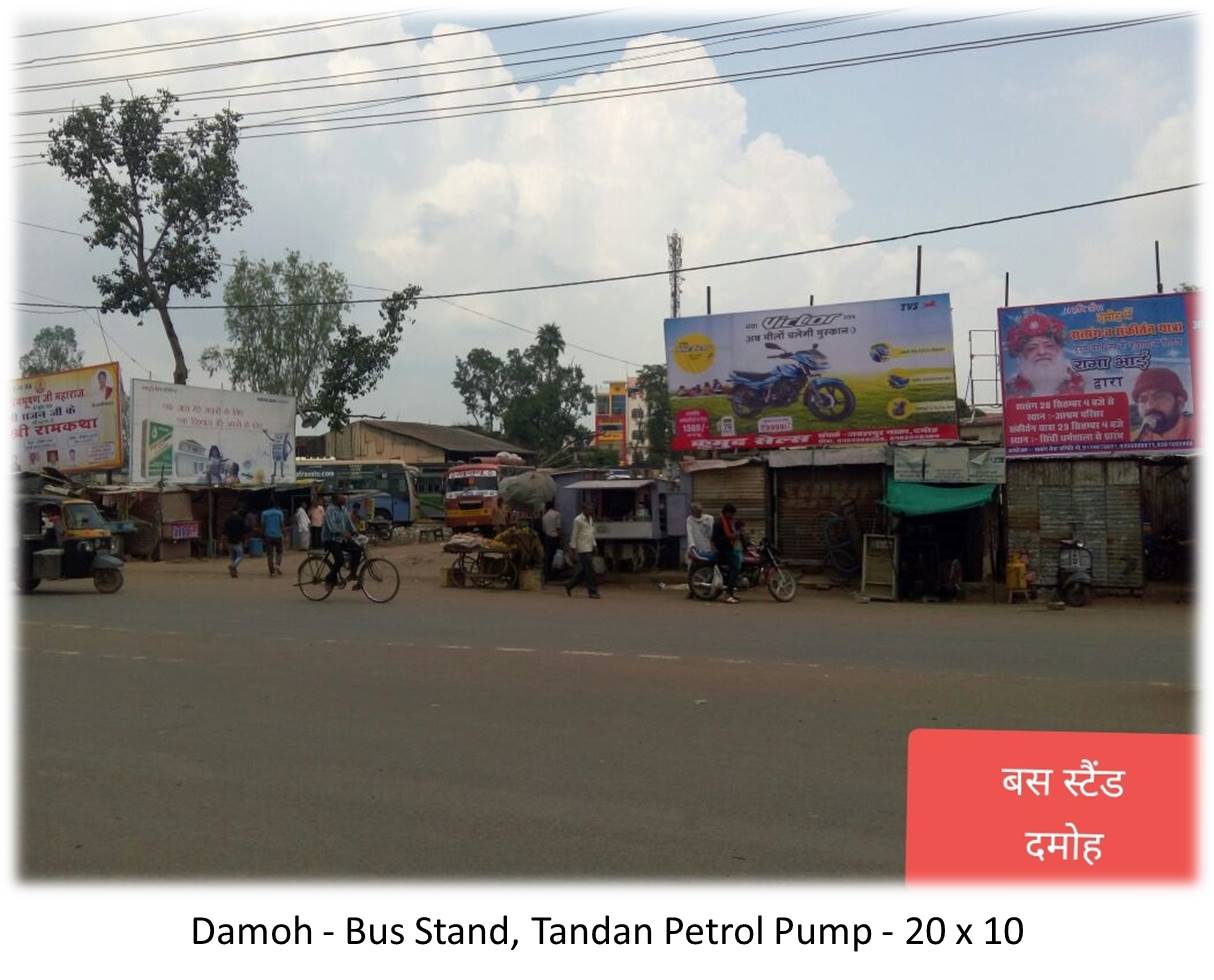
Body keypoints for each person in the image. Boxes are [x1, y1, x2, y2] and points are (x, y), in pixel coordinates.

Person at [1006, 312, 1085, 396]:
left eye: (1049, 346)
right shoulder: (1010, 391)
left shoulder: (1086, 384)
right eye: (1032, 348)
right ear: (1021, 355)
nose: (1041, 352)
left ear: (1060, 349)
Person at [1132, 367, 1195, 442]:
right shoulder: (1135, 439)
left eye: (1159, 397)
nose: (1150, 406)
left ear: (1180, 402)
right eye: (1143, 400)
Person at [322, 493, 361, 586]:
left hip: (341, 539)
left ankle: (352, 573)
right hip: (331, 540)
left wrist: (354, 531)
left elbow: (349, 522)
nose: (344, 500)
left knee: (357, 549)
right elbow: (332, 527)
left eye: (344, 498)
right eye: (342, 498)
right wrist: (343, 533)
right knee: (340, 560)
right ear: (335, 500)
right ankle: (329, 579)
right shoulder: (330, 510)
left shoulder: (343, 509)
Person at [565, 500, 601, 598]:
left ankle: (569, 585)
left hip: (589, 546)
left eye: (592, 510)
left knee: (585, 571)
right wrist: (572, 548)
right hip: (582, 548)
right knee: (590, 571)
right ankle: (592, 591)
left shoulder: (590, 519)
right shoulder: (578, 520)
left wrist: (594, 544)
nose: (591, 512)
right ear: (583, 510)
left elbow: (591, 533)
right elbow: (574, 534)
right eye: (589, 510)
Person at [711, 503, 741, 603]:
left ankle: (732, 590)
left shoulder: (727, 522)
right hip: (723, 550)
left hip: (728, 548)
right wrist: (730, 537)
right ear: (727, 513)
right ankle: (728, 593)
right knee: (735, 568)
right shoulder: (719, 523)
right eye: (731, 514)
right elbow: (715, 539)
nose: (732, 516)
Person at [685, 502, 715, 599]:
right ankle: (692, 590)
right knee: (692, 569)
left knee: (706, 569)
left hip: (706, 547)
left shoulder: (709, 519)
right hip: (694, 548)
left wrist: (713, 545)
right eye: (695, 511)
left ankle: (706, 588)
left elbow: (712, 534)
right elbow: (690, 533)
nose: (697, 513)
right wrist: (692, 546)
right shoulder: (690, 520)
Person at [260, 495, 286, 577]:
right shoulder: (279, 513)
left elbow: (263, 525)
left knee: (270, 554)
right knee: (279, 552)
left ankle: (272, 572)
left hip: (268, 536)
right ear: (275, 505)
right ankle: (277, 566)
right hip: (278, 535)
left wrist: (262, 534)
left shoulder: (264, 513)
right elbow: (282, 524)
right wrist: (284, 532)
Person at [540, 501, 562, 581]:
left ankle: (547, 574)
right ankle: (554, 574)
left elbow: (544, 529)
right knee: (556, 556)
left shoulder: (544, 516)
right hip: (554, 538)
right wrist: (560, 539)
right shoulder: (557, 514)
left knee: (548, 556)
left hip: (547, 537)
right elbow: (558, 528)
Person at [225, 506, 247, 579]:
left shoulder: (228, 519)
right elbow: (243, 530)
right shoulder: (240, 519)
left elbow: (225, 531)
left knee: (232, 557)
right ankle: (233, 566)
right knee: (240, 555)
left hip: (230, 540)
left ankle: (234, 570)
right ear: (237, 511)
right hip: (237, 540)